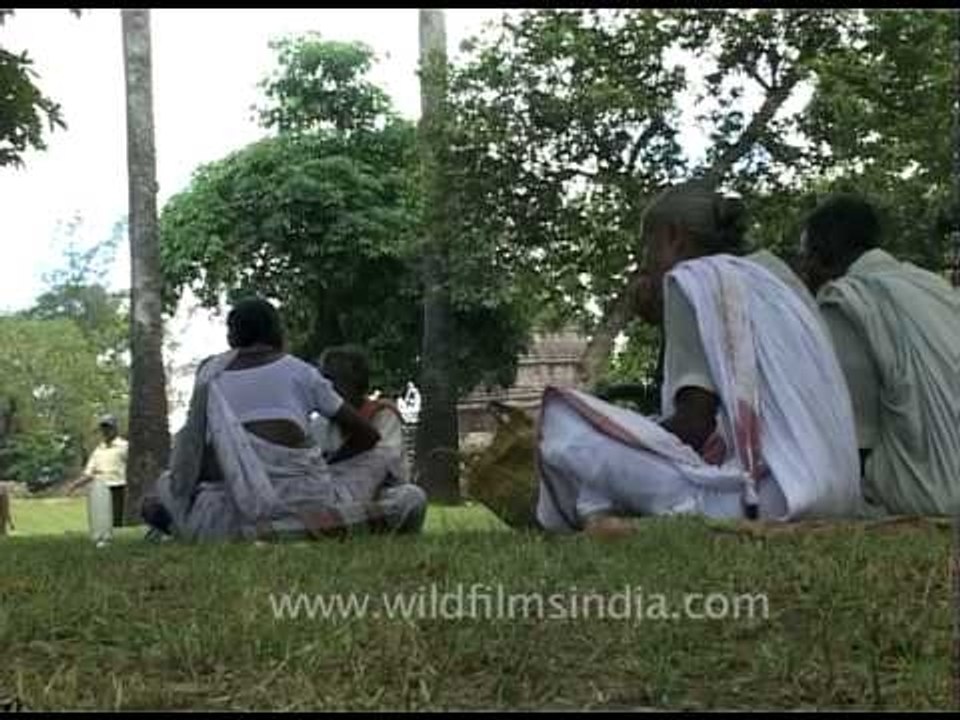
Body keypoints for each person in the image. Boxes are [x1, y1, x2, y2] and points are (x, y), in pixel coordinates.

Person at [536, 182, 863, 536]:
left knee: (560, 420)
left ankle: (597, 512)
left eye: (648, 250)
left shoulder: (692, 279)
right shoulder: (776, 276)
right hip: (836, 493)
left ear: (673, 236)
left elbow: (694, 426)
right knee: (609, 457)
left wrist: (635, 434)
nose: (647, 266)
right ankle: (599, 510)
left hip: (770, 499)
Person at [142, 297, 427, 541]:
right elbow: (368, 437)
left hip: (231, 510)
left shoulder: (209, 376)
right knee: (393, 477)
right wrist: (328, 466)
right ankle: (305, 529)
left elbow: (187, 468)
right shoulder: (300, 372)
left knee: (168, 484)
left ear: (231, 338)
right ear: (278, 332)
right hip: (305, 502)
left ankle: (247, 531)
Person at [800, 193, 960, 516]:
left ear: (821, 255)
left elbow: (851, 445)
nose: (804, 272)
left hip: (925, 498)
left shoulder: (846, 302)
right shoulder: (932, 287)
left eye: (805, 258)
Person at [314, 346, 406, 466]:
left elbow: (385, 462)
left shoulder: (383, 416)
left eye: (333, 379)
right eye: (323, 381)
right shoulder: (320, 424)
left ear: (356, 382)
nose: (326, 387)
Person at [68, 415, 128, 528]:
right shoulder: (98, 450)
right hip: (100, 488)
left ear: (115, 429)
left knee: (117, 520)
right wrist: (75, 485)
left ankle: (117, 540)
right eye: (103, 428)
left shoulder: (124, 447)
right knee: (101, 520)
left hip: (119, 488)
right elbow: (89, 473)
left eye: (108, 427)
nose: (106, 431)